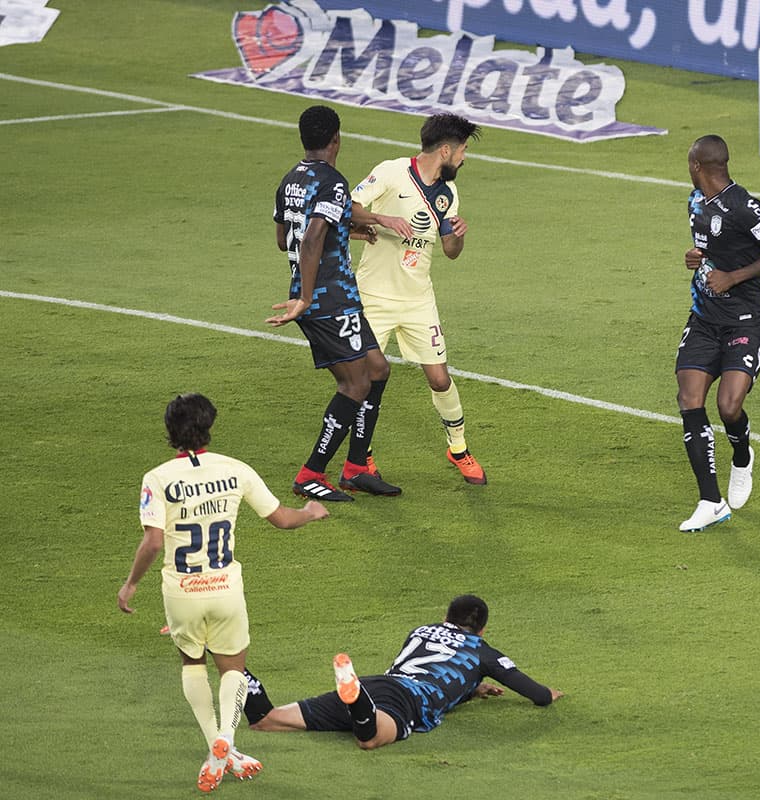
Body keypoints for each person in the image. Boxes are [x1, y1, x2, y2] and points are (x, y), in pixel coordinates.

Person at [117, 393, 329, 793]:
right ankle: (227, 743)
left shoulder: (157, 478)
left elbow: (153, 543)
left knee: (193, 665)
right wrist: (310, 513)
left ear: (170, 433)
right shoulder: (235, 470)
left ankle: (218, 747)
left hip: (181, 592)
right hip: (225, 589)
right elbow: (283, 519)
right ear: (209, 427)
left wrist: (130, 585)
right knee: (233, 670)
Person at [269, 104, 411, 502]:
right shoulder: (332, 182)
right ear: (337, 139)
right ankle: (311, 474)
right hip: (326, 299)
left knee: (378, 370)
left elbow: (287, 239)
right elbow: (312, 238)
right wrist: (306, 297)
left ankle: (357, 468)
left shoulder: (290, 180)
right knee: (355, 383)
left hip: (339, 297)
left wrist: (346, 233)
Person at [349, 113, 488, 486]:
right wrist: (383, 220)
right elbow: (348, 208)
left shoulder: (448, 192)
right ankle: (361, 457)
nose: (464, 158)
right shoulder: (392, 172)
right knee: (362, 380)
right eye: (462, 151)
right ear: (446, 149)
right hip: (373, 296)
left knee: (440, 378)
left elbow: (450, 250)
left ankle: (458, 448)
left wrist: (457, 234)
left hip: (417, 299)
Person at [244, 595, 563, 749]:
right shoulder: (483, 652)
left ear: (445, 616)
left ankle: (239, 675)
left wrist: (470, 690)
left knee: (267, 722)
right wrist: (549, 693)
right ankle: (355, 702)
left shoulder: (421, 630)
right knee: (368, 740)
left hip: (378, 683)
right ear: (482, 629)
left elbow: (438, 666)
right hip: (408, 699)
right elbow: (537, 695)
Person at [675, 135, 760, 532]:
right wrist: (697, 258)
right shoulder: (695, 203)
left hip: (747, 322)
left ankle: (742, 456)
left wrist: (734, 277)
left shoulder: (744, 205)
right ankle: (711, 500)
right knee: (690, 399)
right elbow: (708, 249)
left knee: (729, 407)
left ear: (696, 165)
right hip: (704, 320)